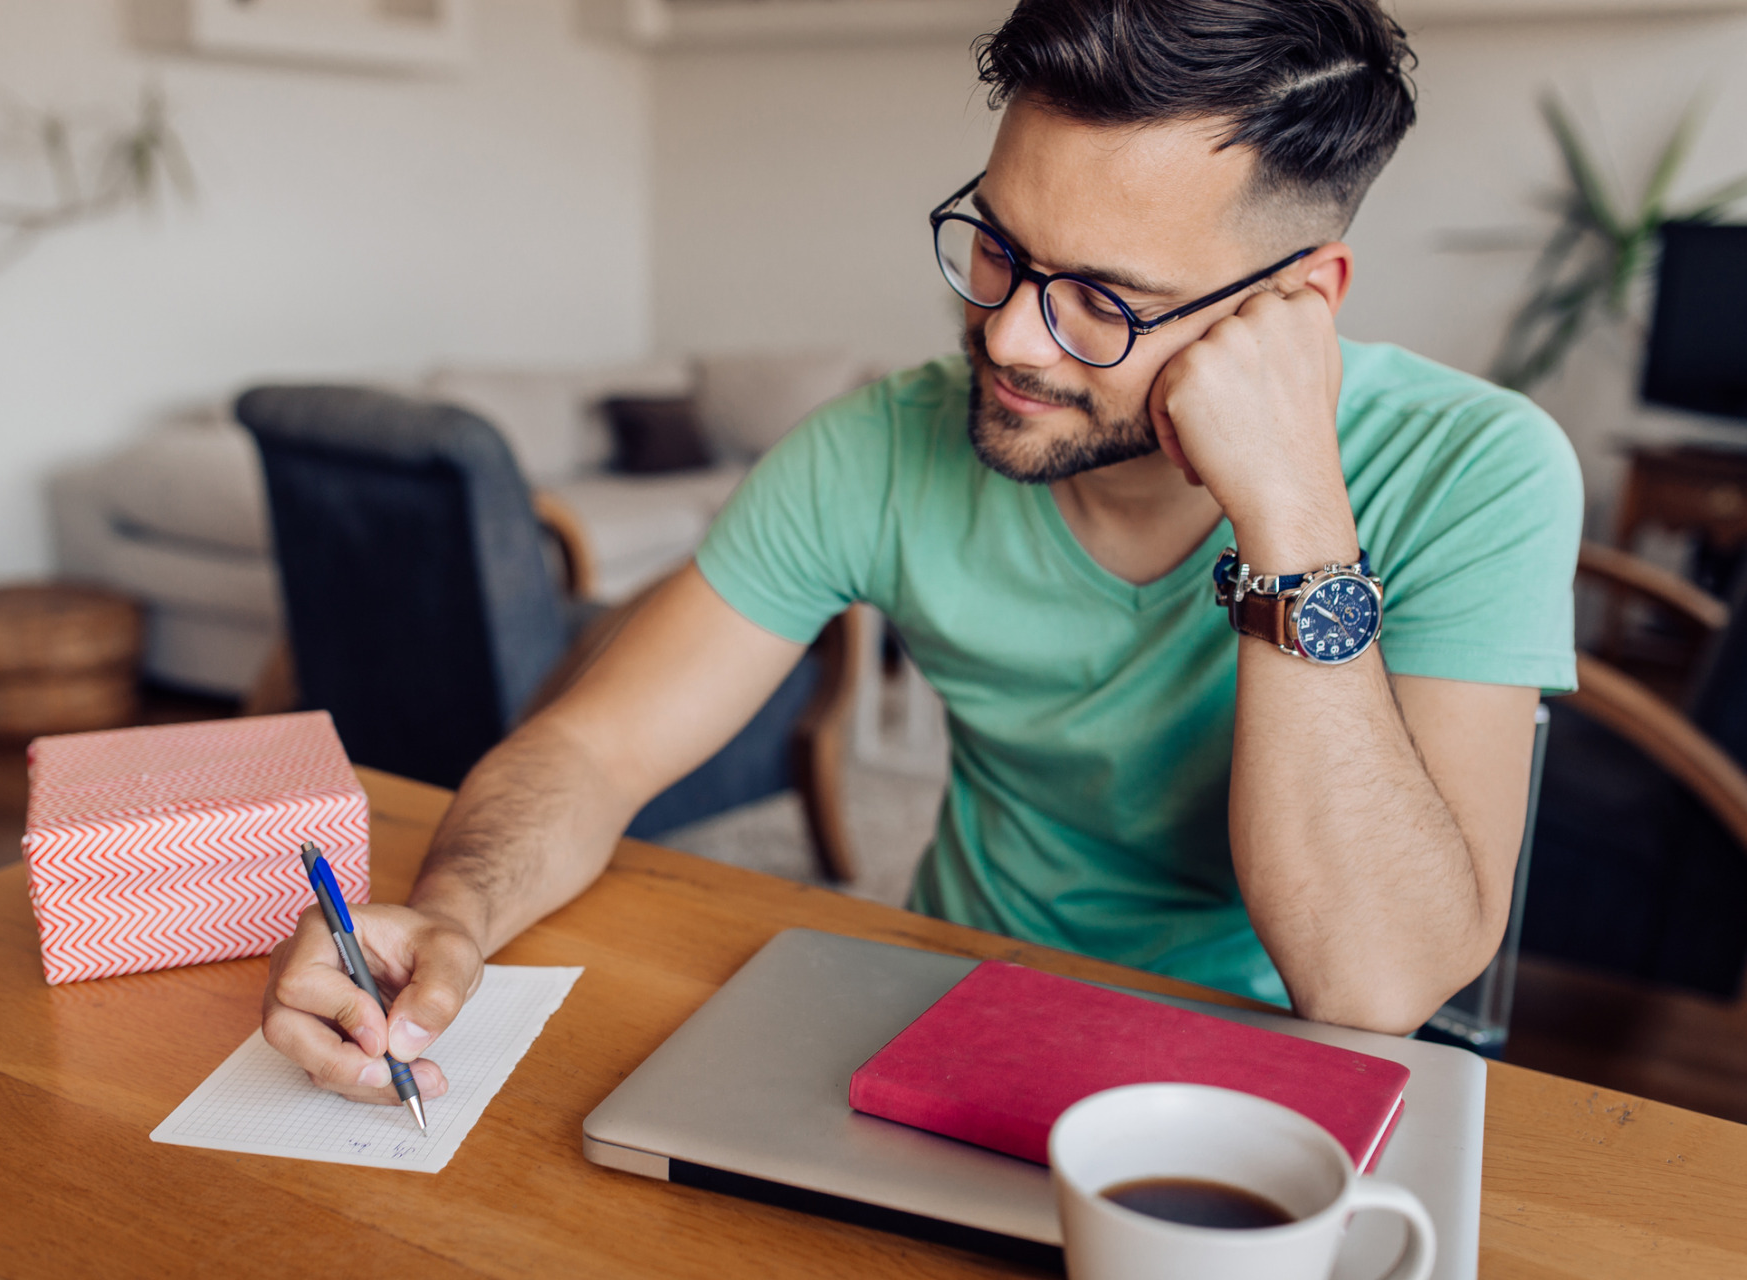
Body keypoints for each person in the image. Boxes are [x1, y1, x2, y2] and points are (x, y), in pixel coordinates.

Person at [261, 0, 1581, 1108]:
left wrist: (1295, 518)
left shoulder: (1483, 472)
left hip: (1269, 1074)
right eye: (998, 248)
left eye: (1104, 304)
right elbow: (595, 747)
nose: (1010, 339)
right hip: (954, 1010)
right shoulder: (875, 449)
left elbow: (1372, 989)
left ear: (1299, 305)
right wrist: (455, 913)